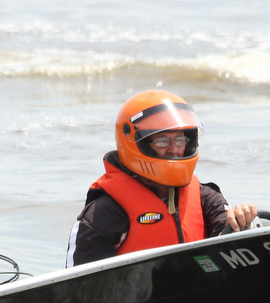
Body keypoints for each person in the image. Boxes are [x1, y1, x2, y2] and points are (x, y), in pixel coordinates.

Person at [66, 89, 257, 266]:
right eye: (162, 140)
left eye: (180, 140)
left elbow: (229, 246)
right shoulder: (104, 212)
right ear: (138, 144)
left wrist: (242, 220)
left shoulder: (205, 197)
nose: (173, 149)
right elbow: (78, 288)